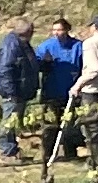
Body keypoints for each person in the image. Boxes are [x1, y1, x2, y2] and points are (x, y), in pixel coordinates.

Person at [60, 15, 98, 161]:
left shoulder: (90, 43)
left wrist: (77, 85)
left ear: (94, 27)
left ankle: (95, 160)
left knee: (91, 126)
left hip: (91, 90)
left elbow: (94, 69)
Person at [31, 15, 86, 163]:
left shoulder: (78, 46)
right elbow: (36, 65)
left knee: (71, 124)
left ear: (67, 30)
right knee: (50, 125)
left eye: (60, 30)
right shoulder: (46, 46)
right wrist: (45, 63)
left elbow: (84, 66)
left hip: (71, 91)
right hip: (51, 91)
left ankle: (71, 153)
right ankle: (47, 155)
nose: (56, 33)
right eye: (54, 30)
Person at [0, 19, 36, 162]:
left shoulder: (20, 43)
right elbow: (5, 70)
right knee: (8, 120)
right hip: (12, 91)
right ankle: (6, 152)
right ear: (27, 32)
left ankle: (12, 150)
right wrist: (11, 93)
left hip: (19, 90)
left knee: (13, 120)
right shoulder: (12, 45)